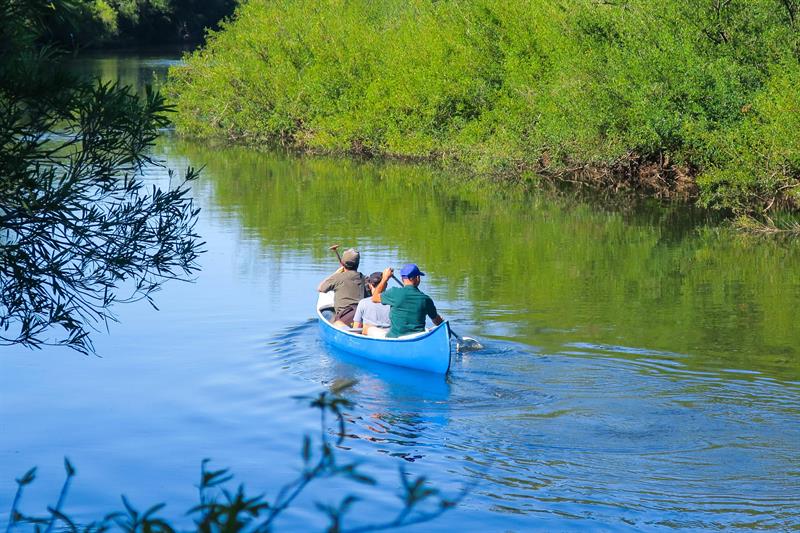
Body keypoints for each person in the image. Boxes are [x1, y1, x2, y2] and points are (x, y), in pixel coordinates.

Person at [371, 263, 444, 338]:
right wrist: (442, 322)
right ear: (418, 278)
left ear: (402, 279)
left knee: (370, 329)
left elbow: (374, 298)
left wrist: (384, 279)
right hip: (418, 338)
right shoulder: (426, 299)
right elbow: (437, 321)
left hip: (395, 338)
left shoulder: (394, 293)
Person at [318, 248, 366, 327]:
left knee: (326, 313)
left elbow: (320, 288)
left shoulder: (337, 277)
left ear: (343, 264)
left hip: (344, 318)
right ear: (358, 264)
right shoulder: (364, 278)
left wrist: (336, 273)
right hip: (361, 317)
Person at [353, 272, 391, 338]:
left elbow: (355, 329)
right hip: (389, 337)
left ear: (370, 285)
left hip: (369, 337)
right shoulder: (394, 303)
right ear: (386, 285)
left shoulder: (363, 303)